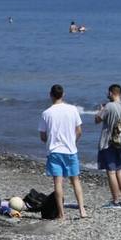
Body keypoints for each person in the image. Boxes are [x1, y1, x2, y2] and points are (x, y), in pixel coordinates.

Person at [39, 84, 86, 220]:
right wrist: (73, 141)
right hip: (70, 150)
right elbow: (79, 131)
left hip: (54, 151)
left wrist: (50, 141)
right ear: (63, 94)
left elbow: (43, 136)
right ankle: (82, 210)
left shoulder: (46, 113)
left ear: (51, 95)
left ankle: (61, 213)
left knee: (58, 183)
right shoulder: (72, 109)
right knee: (75, 180)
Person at [95, 83, 121, 208]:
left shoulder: (108, 106)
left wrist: (100, 109)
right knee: (120, 170)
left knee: (111, 172)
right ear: (120, 94)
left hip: (108, 142)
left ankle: (115, 201)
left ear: (110, 93)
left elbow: (97, 120)